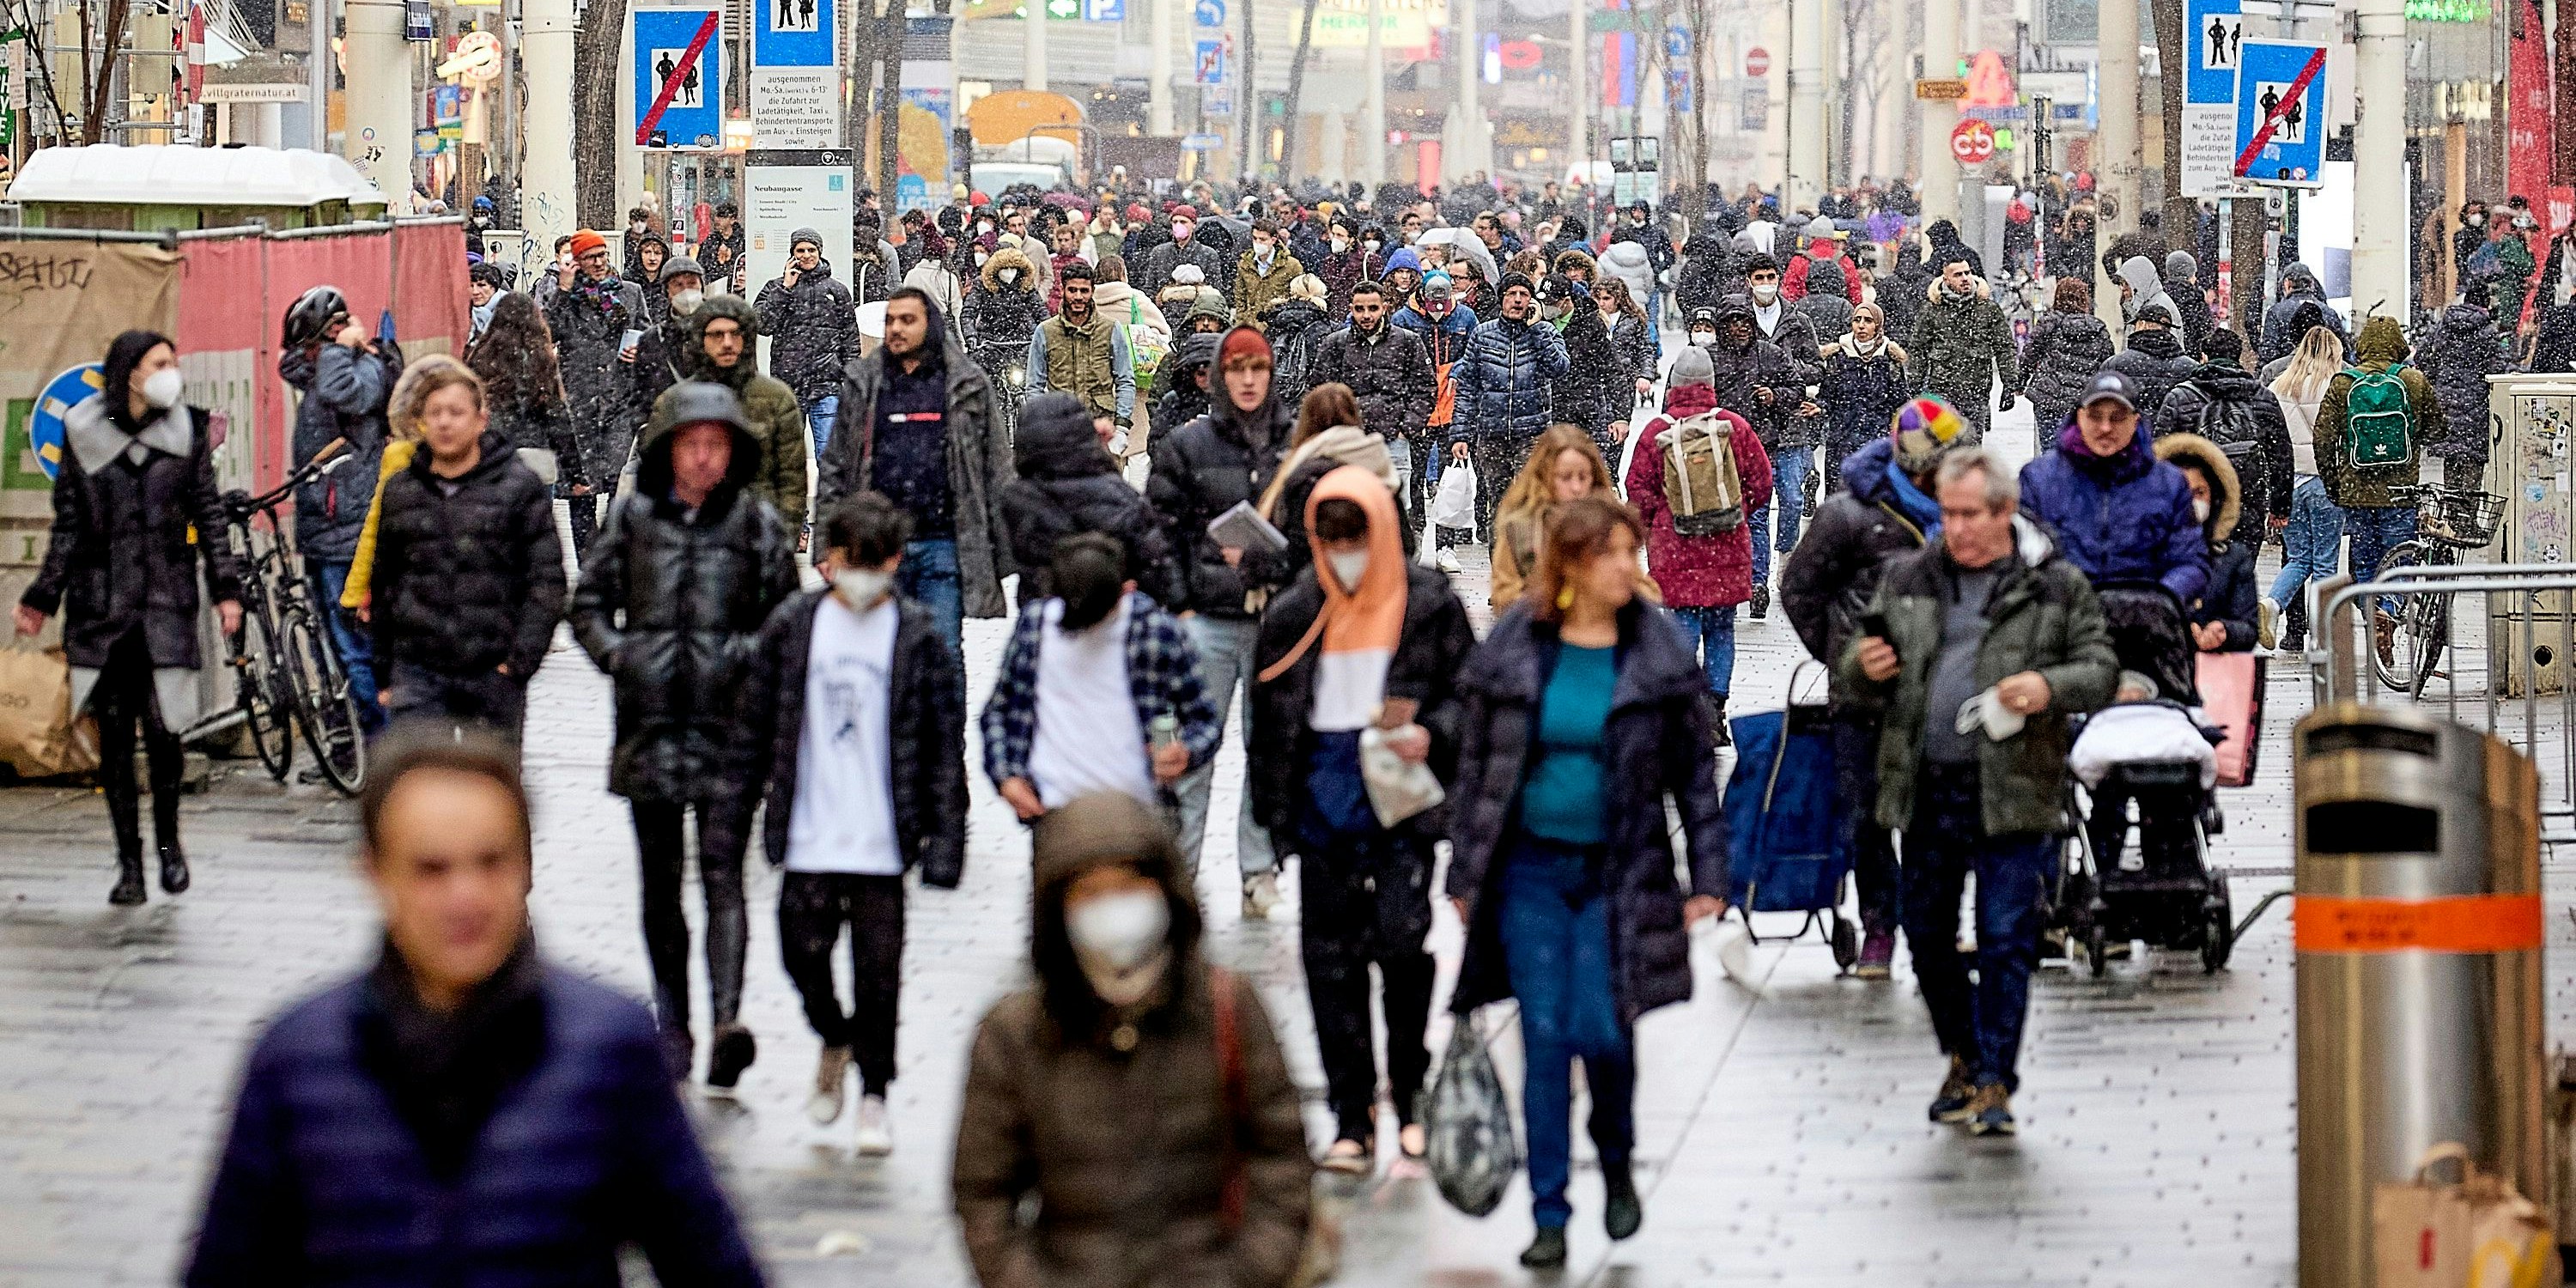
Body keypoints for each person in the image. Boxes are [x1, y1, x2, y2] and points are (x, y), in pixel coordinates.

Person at [184, 732, 768, 1287]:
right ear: (375, 874)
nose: (466, 897)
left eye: (491, 862)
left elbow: (711, 1264)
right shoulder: (297, 1064)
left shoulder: (610, 1052)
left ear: (528, 868)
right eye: (431, 869)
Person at [1443, 496, 1729, 1267]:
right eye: (1612, 555)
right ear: (1570, 564)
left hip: (1621, 869)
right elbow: (1478, 768)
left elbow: (1694, 778)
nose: (1628, 569)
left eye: (1631, 553)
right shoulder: (1518, 645)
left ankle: (1614, 1160)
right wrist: (1465, 870)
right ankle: (1548, 1212)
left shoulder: (1657, 651)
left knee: (1604, 1030)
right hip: (1530, 871)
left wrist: (1709, 874)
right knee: (1543, 1037)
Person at [1841, 446, 2117, 1138]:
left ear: (2005, 512)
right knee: (1927, 935)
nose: (1955, 528)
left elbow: (2101, 667)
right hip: (1927, 789)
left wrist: (2048, 688)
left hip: (2016, 788)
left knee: (2004, 937)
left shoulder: (2051, 584)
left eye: (1969, 515)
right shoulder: (1910, 577)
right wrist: (1865, 664)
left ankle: (1995, 1076)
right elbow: (1854, 665)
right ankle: (1962, 1050)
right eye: (1948, 514)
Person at [951, 791, 1314, 1288]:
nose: (1113, 907)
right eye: (1090, 893)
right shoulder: (1016, 1034)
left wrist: (1247, 1273)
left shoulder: (1227, 1008)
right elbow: (983, 1191)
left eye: (1128, 885)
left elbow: (1281, 1158)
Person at [714, 493, 964, 1157]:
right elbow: (754, 729)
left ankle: (875, 1092)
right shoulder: (794, 627)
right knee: (803, 954)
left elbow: (942, 744)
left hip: (883, 837)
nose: (857, 576)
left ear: (893, 563)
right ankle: (833, 1032)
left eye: (872, 564)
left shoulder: (916, 637)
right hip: (809, 830)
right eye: (847, 561)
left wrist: (944, 840)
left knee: (880, 973)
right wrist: (731, 819)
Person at [570, 382, 799, 1087]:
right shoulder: (635, 519)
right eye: (691, 445)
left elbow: (785, 617)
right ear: (669, 450)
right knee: (660, 886)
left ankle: (727, 1018)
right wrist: (620, 656)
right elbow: (587, 603)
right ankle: (674, 1020)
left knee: (724, 875)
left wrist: (744, 660)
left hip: (728, 729)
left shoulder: (755, 525)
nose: (703, 460)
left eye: (716, 446)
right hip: (651, 724)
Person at [1247, 470, 1473, 1174]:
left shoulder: (1426, 603)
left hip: (1400, 806)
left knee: (1405, 953)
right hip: (1324, 807)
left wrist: (1430, 730)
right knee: (1330, 963)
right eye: (1330, 540)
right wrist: (1276, 818)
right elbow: (1270, 722)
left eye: (1355, 538)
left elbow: (1469, 697)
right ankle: (1351, 1113)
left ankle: (1408, 1099)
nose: (1343, 553)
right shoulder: (1296, 613)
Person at [15, 331, 240, 906]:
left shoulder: (186, 431)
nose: (172, 371)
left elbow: (209, 515)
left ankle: (169, 848)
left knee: (165, 737)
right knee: (115, 742)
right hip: (103, 608)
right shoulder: (82, 431)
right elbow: (67, 524)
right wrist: (42, 597)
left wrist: (226, 589)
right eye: (160, 363)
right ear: (130, 373)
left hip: (166, 604)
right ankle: (129, 865)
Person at [1781, 397, 1964, 980]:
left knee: (1937, 814)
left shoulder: (1965, 511)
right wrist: (1844, 656)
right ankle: (1881, 926)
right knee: (1869, 815)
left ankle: (1935, 923)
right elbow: (1801, 589)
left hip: (1940, 695)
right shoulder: (1848, 515)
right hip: (1864, 698)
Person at [1146, 325, 1291, 912]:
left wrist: (1276, 568)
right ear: (1220, 377)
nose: (1250, 381)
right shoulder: (1191, 445)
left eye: (1258, 369)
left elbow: (1310, 535)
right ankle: (1180, 870)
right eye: (1239, 370)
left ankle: (1259, 869)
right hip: (1206, 617)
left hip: (1274, 621)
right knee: (1191, 753)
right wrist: (1180, 603)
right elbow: (1160, 532)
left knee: (1267, 752)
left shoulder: (1294, 443)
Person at [817, 287, 1016, 675]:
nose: (895, 329)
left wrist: (1002, 546)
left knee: (941, 655)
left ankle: (944, 736)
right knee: (881, 657)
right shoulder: (865, 383)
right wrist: (827, 544)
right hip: (876, 546)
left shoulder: (965, 384)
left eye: (907, 321)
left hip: (944, 542)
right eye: (890, 320)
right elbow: (836, 466)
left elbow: (996, 469)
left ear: (931, 326)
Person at [367, 361, 567, 738]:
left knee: (488, 790)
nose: (444, 423)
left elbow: (545, 581)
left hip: (493, 668)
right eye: (434, 413)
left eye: (456, 413)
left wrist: (519, 661)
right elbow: (386, 584)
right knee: (419, 785)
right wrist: (386, 669)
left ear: (481, 419)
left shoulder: (519, 489)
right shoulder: (403, 491)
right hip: (419, 670)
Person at [982, 532, 1219, 819]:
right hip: (1054, 809)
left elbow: (1204, 717)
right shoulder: (1036, 625)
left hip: (1137, 811)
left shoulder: (1157, 633)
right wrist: (1007, 777)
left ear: (1126, 591)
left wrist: (1185, 752)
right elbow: (999, 709)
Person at [1623, 344, 1775, 740]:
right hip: (1727, 544)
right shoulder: (1733, 426)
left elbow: (1638, 487)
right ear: (1710, 383)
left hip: (1676, 546)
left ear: (1673, 384)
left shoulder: (1658, 431)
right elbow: (1762, 481)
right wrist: (1735, 511)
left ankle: (1680, 708)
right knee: (1721, 627)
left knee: (1682, 626)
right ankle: (1714, 710)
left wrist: (1660, 520)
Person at [278, 286, 393, 733]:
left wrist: (342, 348)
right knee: (333, 645)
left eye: (315, 346)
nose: (310, 356)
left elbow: (346, 395)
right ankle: (350, 739)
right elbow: (290, 365)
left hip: (347, 525)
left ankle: (379, 741)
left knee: (353, 647)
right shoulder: (333, 363)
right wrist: (329, 347)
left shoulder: (364, 370)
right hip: (322, 526)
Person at [2019, 371, 2208, 607]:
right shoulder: (2039, 479)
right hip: (2060, 621)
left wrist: (2159, 599)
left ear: (2135, 421)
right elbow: (2018, 558)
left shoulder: (2169, 484)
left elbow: (2190, 561)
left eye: (2117, 418)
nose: (2105, 427)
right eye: (2095, 417)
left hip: (2144, 623)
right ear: (2079, 417)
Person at [651, 293, 811, 538]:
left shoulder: (775, 398)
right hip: (692, 536)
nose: (727, 343)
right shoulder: (674, 402)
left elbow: (792, 481)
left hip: (756, 537)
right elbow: (657, 478)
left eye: (736, 334)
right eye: (716, 335)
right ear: (700, 341)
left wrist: (782, 541)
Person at [1001, 391, 1182, 606]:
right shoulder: (1113, 493)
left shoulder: (1017, 498)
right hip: (1111, 612)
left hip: (1047, 617)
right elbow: (1154, 559)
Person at [2315, 316, 2439, 622]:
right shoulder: (2413, 381)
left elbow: (2322, 437)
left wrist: (2335, 484)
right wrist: (2411, 436)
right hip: (2400, 491)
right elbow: (2438, 430)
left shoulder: (2344, 383)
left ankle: (2373, 614)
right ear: (2398, 343)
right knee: (2398, 557)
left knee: (2366, 560)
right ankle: (2391, 613)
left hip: (2357, 491)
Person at [543, 228, 649, 554]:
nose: (600, 263)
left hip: (619, 400)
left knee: (621, 488)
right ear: (577, 262)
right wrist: (563, 288)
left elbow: (645, 331)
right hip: (581, 405)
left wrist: (639, 348)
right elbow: (548, 332)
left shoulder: (629, 293)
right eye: (591, 258)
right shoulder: (567, 299)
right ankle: (589, 565)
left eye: (603, 255)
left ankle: (614, 557)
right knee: (581, 491)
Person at [1448, 273, 1571, 542]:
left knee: (1530, 500)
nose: (1517, 300)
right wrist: (1460, 433)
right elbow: (1468, 386)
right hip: (1491, 433)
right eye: (1511, 294)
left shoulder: (1546, 332)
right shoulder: (1483, 334)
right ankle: (1501, 568)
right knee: (1499, 500)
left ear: (1532, 301)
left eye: (1524, 294)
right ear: (1501, 299)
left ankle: (1529, 566)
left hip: (1532, 432)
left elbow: (1560, 368)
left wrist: (1539, 329)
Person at [2153, 328, 2293, 555]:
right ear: (2237, 357)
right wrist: (2281, 506)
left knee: (2195, 567)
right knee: (2240, 568)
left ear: (2204, 356)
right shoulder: (2262, 397)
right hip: (2247, 499)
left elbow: (2162, 453)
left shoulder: (2180, 397)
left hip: (2195, 499)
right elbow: (2281, 454)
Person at [1308, 279, 1435, 511]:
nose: (1366, 315)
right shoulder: (1335, 343)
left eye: (1373, 308)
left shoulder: (1407, 341)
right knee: (1351, 509)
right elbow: (1320, 391)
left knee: (1395, 511)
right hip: (1349, 440)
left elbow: (1425, 387)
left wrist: (1406, 428)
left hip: (1393, 438)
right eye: (1359, 309)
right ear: (1351, 309)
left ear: (1385, 307)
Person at [465, 293, 590, 526]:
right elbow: (558, 420)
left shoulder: (480, 357)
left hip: (491, 455)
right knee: (533, 531)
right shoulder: (540, 361)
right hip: (535, 458)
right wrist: (575, 472)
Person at [2264, 324, 2348, 651]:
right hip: (2325, 481)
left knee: (2298, 558)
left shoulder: (2278, 386)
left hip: (2291, 482)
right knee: (2326, 562)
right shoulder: (2336, 386)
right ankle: (2321, 636)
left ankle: (2272, 605)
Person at [754, 227, 858, 464]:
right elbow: (762, 325)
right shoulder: (775, 288)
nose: (807, 255)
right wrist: (785, 289)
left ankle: (829, 502)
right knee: (785, 458)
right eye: (800, 250)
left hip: (826, 385)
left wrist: (849, 377)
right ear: (792, 254)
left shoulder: (837, 290)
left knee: (830, 457)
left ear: (820, 252)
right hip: (788, 387)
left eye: (811, 250)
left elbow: (850, 339)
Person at [1488, 423, 1617, 613]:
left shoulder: (1610, 522)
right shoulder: (1522, 527)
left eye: (1583, 477)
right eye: (1565, 478)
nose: (1576, 488)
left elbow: (1639, 589)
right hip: (1540, 632)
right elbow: (1505, 593)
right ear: (1546, 476)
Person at [2154, 434, 2257, 651]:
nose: (2191, 503)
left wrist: (2224, 631)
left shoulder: (2233, 557)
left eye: (2199, 493)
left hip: (2216, 675)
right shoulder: (2141, 554)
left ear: (2214, 496)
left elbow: (2249, 627)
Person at [1908, 251, 2019, 441]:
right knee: (1943, 448)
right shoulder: (1932, 310)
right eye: (1958, 275)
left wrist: (2009, 384)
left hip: (1976, 392)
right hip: (1942, 391)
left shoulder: (1987, 308)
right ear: (1946, 279)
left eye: (1967, 273)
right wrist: (1914, 386)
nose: (1965, 278)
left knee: (1971, 448)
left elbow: (2005, 347)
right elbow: (1918, 349)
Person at [1027, 259, 1139, 445]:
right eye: (1072, 290)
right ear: (1062, 291)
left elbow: (1125, 379)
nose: (1078, 297)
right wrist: (1041, 425)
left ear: (1092, 292)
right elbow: (1034, 385)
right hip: (1060, 428)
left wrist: (1121, 428)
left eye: (1084, 291)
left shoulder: (1110, 329)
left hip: (1102, 428)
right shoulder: (1046, 331)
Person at [2420, 283, 2512, 490]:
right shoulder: (2486, 331)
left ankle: (2454, 518)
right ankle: (2467, 516)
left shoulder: (2443, 327)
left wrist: (2439, 379)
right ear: (2485, 304)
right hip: (2475, 407)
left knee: (2451, 457)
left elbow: (2422, 356)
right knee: (2472, 461)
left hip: (2446, 405)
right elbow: (2497, 368)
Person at [1816, 302, 1912, 485]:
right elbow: (1827, 396)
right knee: (1839, 493)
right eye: (1857, 320)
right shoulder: (1839, 356)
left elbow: (1900, 401)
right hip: (1842, 439)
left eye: (1868, 321)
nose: (1861, 325)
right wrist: (1818, 409)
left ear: (1878, 325)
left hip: (1878, 439)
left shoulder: (1890, 359)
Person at [2014, 277, 2115, 441]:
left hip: (2049, 399)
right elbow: (2108, 365)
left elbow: (2029, 355)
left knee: (2051, 451)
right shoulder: (2098, 328)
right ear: (2084, 299)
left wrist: (2020, 382)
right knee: (2081, 450)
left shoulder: (2049, 323)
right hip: (2083, 403)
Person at [1535, 273, 1616, 450]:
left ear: (1565, 300)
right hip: (1546, 410)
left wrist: (1619, 415)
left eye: (1551, 301)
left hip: (1583, 411)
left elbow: (1612, 369)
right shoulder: (1537, 324)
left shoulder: (1591, 324)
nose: (1546, 306)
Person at [2100, 300, 2197, 429]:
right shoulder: (2191, 368)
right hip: (2174, 443)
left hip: (2130, 440)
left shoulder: (2115, 364)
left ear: (2142, 325)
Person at [1594, 276, 1659, 433]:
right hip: (1596, 380)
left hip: (1624, 381)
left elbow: (1645, 350)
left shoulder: (1633, 321)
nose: (1602, 303)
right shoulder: (1592, 320)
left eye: (1607, 298)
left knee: (1619, 425)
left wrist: (1645, 375)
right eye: (1598, 298)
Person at [2259, 262, 2352, 363]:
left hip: (2288, 375)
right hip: (2323, 372)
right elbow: (2344, 351)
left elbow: (2268, 351)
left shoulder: (2276, 312)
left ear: (2287, 283)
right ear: (2311, 283)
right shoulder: (2328, 312)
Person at [1140, 205, 1229, 300]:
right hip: (1166, 310)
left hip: (1195, 310)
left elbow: (1215, 290)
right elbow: (1150, 287)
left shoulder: (1208, 254)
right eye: (1175, 222)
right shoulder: (1159, 252)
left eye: (1183, 222)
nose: (1178, 225)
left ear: (1194, 224)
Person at [1234, 219, 1302, 325]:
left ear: (1273, 240)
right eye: (1255, 238)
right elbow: (1240, 297)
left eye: (1263, 239)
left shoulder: (1291, 266)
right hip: (1251, 326)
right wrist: (1241, 322)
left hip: (1278, 327)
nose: (1258, 243)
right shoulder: (1245, 264)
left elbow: (1298, 298)